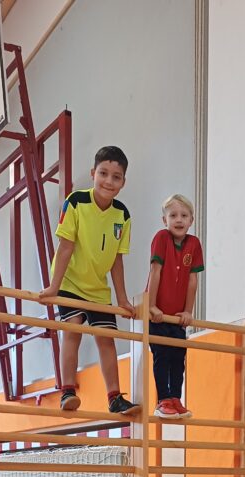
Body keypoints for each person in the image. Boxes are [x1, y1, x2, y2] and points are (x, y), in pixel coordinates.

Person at [39, 145, 139, 415]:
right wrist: (54, 287)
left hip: (98, 289)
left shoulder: (122, 215)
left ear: (123, 182)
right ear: (93, 173)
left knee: (106, 339)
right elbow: (65, 247)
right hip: (70, 282)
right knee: (73, 329)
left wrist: (122, 298)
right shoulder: (76, 202)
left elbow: (117, 260)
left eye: (116, 177)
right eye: (103, 173)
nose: (108, 181)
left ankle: (115, 397)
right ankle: (67, 391)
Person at [147, 194, 204, 418]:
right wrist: (151, 306)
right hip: (158, 314)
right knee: (162, 355)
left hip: (177, 317)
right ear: (165, 220)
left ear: (191, 220)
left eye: (184, 215)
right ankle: (163, 399)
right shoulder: (161, 237)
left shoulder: (194, 243)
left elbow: (192, 280)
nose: (178, 220)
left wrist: (188, 311)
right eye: (173, 216)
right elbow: (155, 271)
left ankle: (175, 398)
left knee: (178, 357)